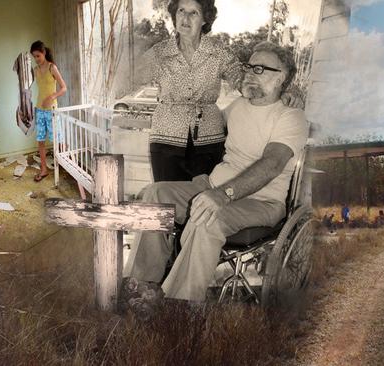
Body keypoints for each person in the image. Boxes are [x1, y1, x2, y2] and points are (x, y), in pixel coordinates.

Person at [124, 42, 308, 302]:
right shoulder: (238, 107)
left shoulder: (291, 117)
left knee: (206, 214)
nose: (249, 74)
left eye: (260, 69)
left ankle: (179, 305)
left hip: (262, 202)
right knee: (155, 194)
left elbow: (272, 164)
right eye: (248, 67)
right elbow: (206, 125)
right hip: (213, 187)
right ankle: (140, 284)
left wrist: (224, 194)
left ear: (281, 78)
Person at [135, 0, 302, 183]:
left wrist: (282, 91)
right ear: (174, 15)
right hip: (165, 136)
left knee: (204, 194)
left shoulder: (218, 52)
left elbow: (245, 80)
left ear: (205, 19)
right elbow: (127, 79)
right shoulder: (159, 53)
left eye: (194, 13)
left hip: (208, 139)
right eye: (181, 11)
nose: (185, 18)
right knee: (167, 197)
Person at [29, 40, 66, 182]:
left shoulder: (52, 68)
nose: (36, 59)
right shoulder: (36, 70)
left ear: (44, 53)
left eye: (38, 56)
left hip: (51, 110)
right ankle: (44, 170)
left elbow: (64, 88)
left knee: (58, 140)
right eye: (34, 57)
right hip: (39, 109)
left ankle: (68, 165)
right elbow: (27, 84)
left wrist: (52, 96)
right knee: (40, 141)